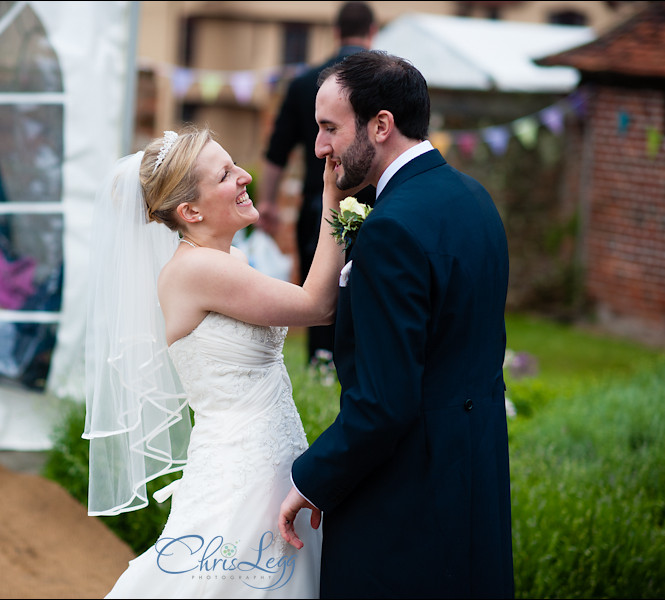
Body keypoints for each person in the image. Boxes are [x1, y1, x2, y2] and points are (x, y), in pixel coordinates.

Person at [278, 50, 515, 598]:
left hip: (405, 507)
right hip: (474, 487)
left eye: (329, 128)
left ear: (381, 125)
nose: (318, 147)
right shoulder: (475, 200)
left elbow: (384, 403)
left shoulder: (390, 230)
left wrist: (311, 482)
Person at [83, 127, 351, 598]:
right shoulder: (198, 270)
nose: (245, 175)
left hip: (268, 463)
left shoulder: (228, 261)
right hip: (241, 475)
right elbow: (317, 306)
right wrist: (335, 199)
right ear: (191, 211)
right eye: (227, 174)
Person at [258, 1, 378, 372]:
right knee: (372, 284)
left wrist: (267, 202)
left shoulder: (302, 82)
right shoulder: (381, 85)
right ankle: (364, 363)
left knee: (320, 282)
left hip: (317, 205)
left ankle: (321, 363)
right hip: (377, 201)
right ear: (373, 32)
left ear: (335, 31)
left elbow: (276, 152)